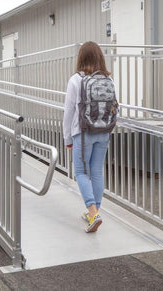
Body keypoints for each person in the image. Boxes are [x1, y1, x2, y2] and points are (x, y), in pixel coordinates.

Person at [63, 41, 112, 233]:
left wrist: (67, 138)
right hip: (104, 131)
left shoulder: (76, 79)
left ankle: (93, 212)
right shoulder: (108, 79)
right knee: (97, 171)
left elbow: (68, 112)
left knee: (81, 172)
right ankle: (94, 212)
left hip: (83, 132)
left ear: (81, 58)